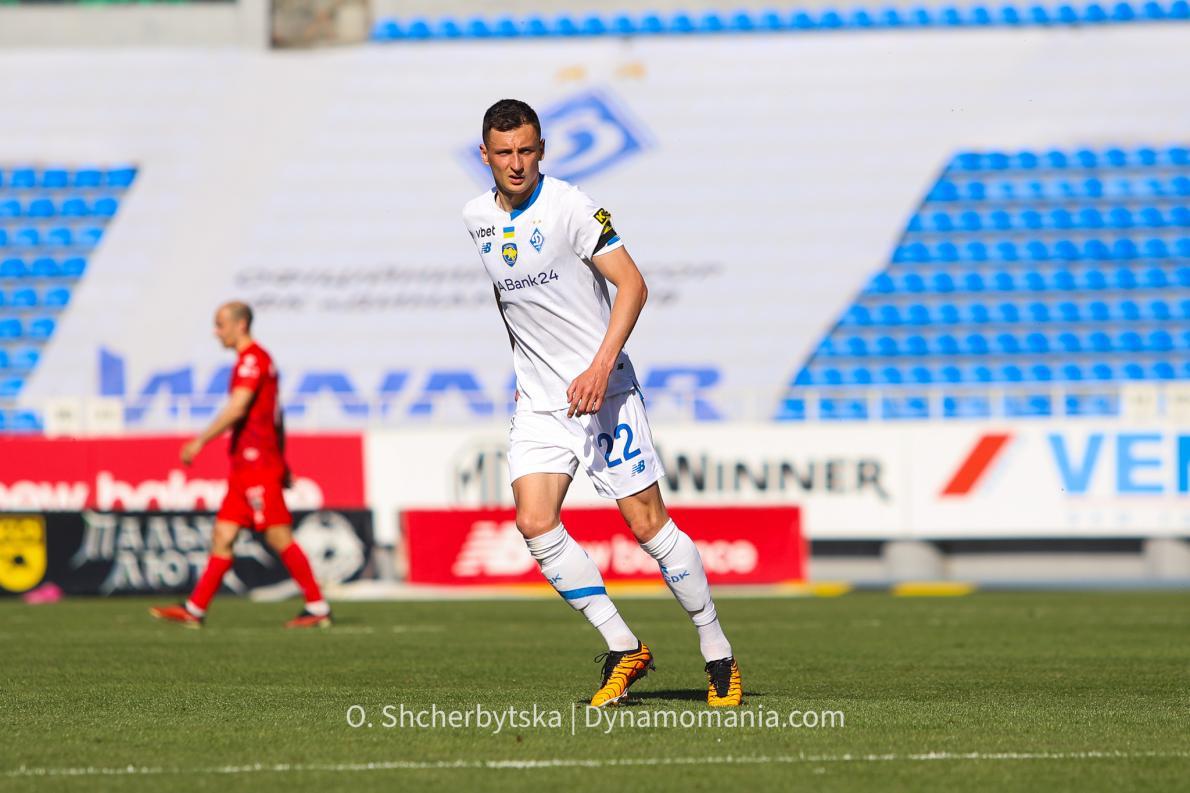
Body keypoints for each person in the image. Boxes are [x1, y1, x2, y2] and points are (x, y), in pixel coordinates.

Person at [462, 99, 742, 707]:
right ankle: (624, 646)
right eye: (504, 153)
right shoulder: (475, 217)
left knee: (646, 525)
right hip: (541, 404)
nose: (516, 163)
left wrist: (598, 367)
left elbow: (634, 284)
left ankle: (717, 652)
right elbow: (512, 303)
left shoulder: (571, 206)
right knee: (534, 522)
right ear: (485, 155)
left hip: (604, 392)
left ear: (542, 149)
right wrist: (526, 368)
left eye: (527, 150)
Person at [150, 301, 331, 629]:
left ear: (241, 324)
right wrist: (283, 460)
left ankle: (317, 606)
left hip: (257, 464)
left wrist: (200, 441)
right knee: (223, 535)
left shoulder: (252, 360)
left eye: (220, 325)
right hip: (246, 467)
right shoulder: (255, 361)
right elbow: (276, 416)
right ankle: (195, 609)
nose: (216, 332)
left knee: (278, 535)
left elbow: (237, 408)